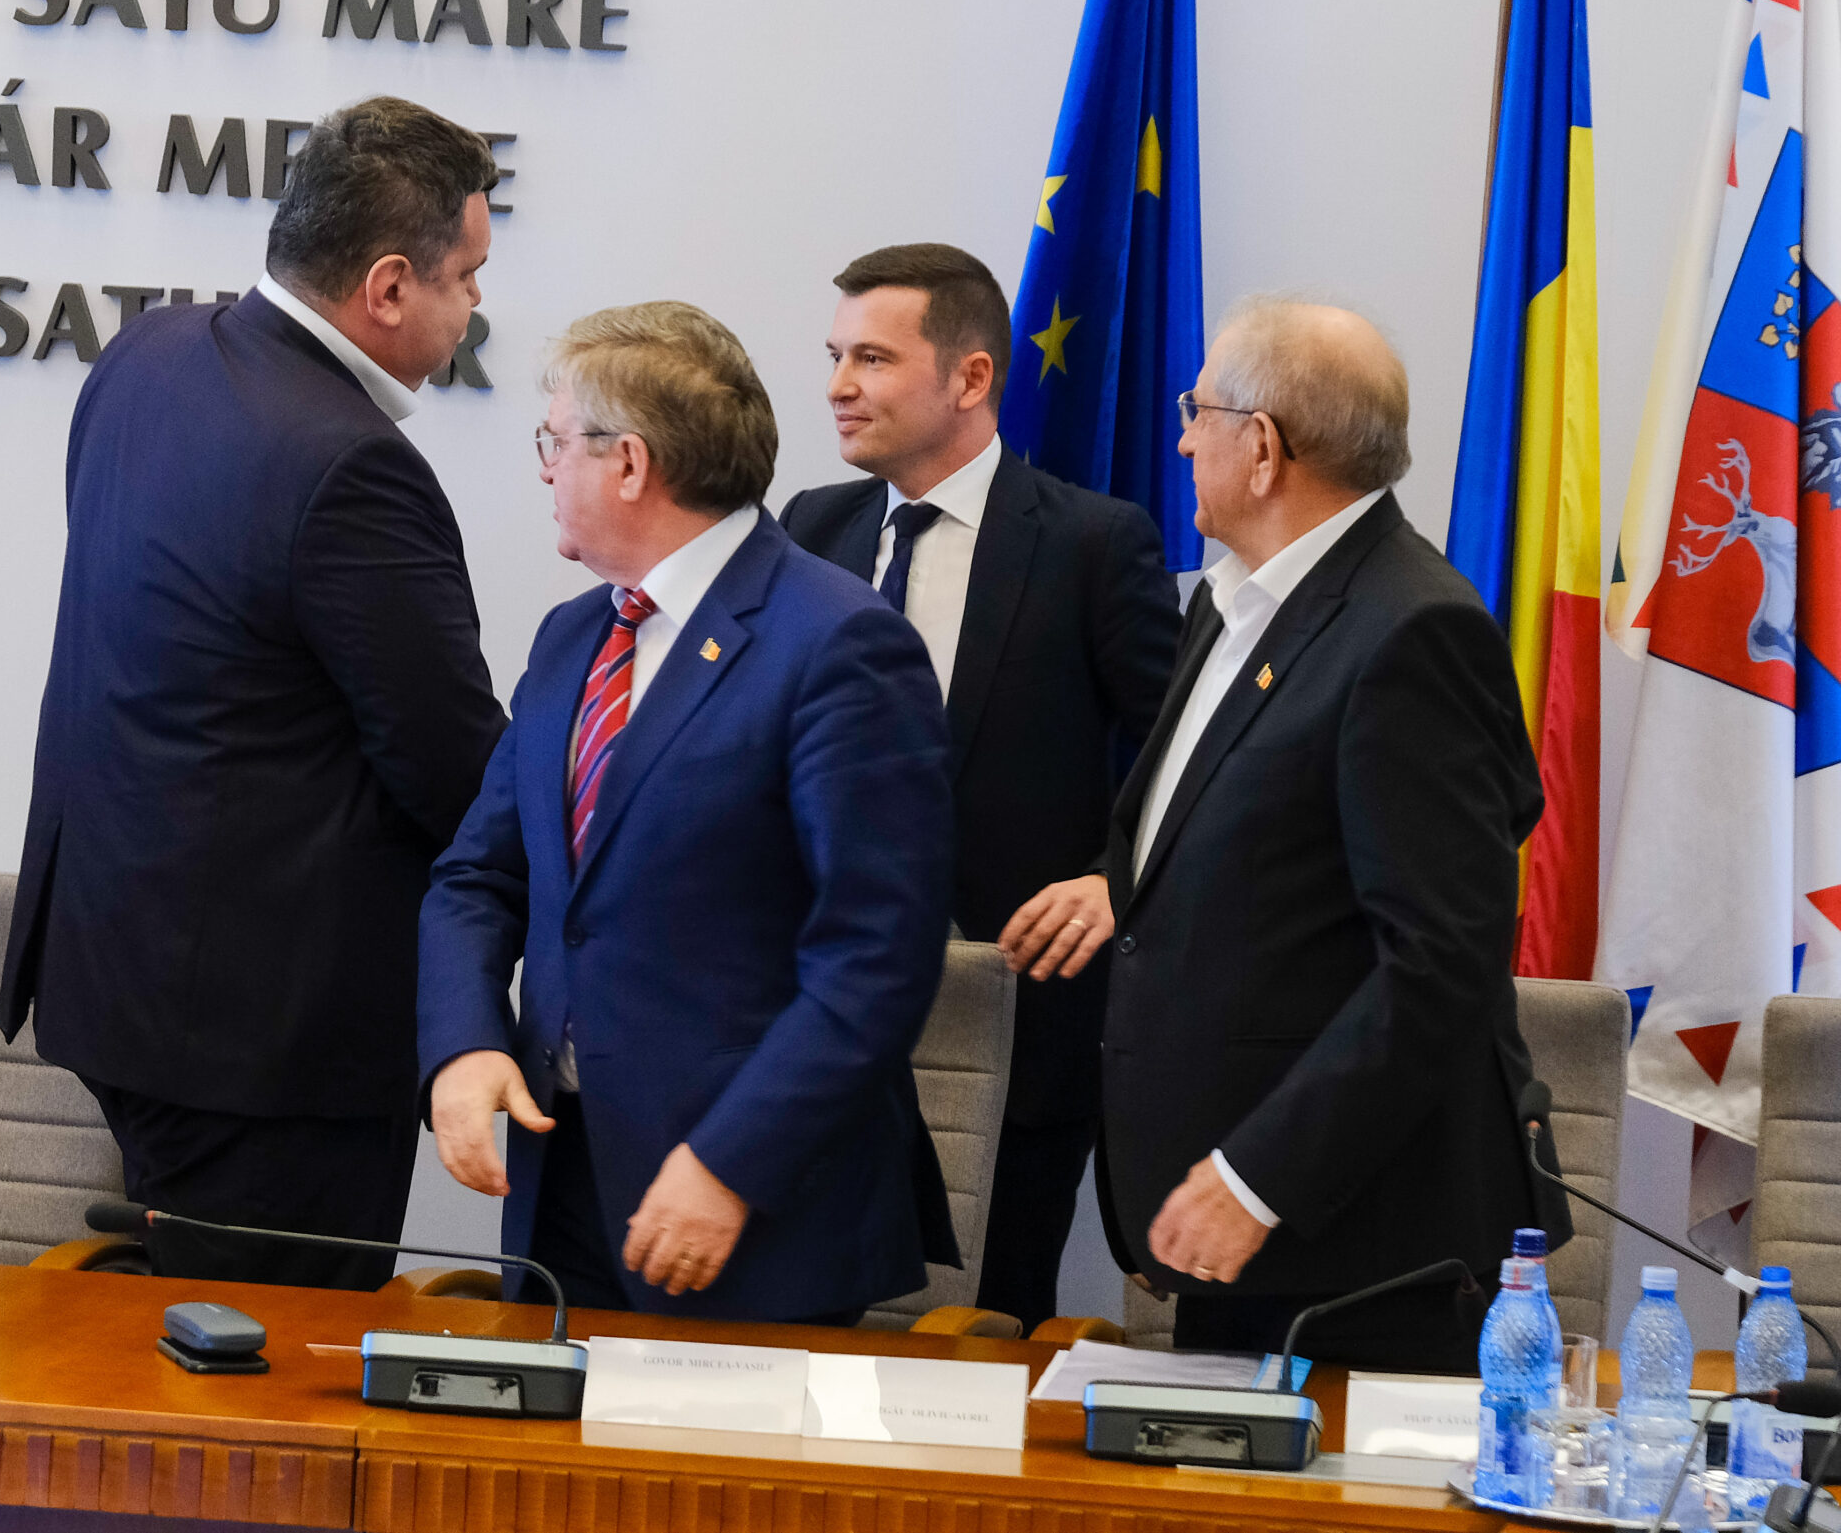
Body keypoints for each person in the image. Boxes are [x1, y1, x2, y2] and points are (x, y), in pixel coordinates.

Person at [0, 97, 510, 1290]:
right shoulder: (355, 465)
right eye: (467, 277)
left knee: (174, 1346)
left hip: (113, 977)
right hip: (265, 1047)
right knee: (267, 1372)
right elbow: (451, 765)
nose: (477, 304)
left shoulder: (147, 355)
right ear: (389, 287)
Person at [1032, 297, 1565, 1370]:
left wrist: (1256, 1178)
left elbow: (1440, 963)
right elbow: (1256, 838)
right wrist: (1126, 883)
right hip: (1238, 1232)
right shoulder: (1230, 605)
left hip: (1356, 1249)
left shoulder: (1412, 628)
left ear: (1264, 446)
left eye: (1198, 412)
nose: (1183, 439)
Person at [418, 301, 959, 1323]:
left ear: (628, 462)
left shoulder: (839, 642)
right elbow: (478, 876)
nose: (545, 470)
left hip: (749, 1207)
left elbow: (876, 954)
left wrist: (729, 1163)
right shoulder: (573, 635)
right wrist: (463, 1042)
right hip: (563, 1183)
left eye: (555, 442)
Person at [780, 244, 1179, 1331]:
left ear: (970, 377)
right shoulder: (809, 528)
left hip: (1020, 1017)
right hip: (815, 1014)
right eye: (834, 356)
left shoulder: (1093, 543)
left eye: (871, 358)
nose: (838, 385)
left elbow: (1189, 757)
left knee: (987, 1336)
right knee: (810, 1324)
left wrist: (1115, 880)